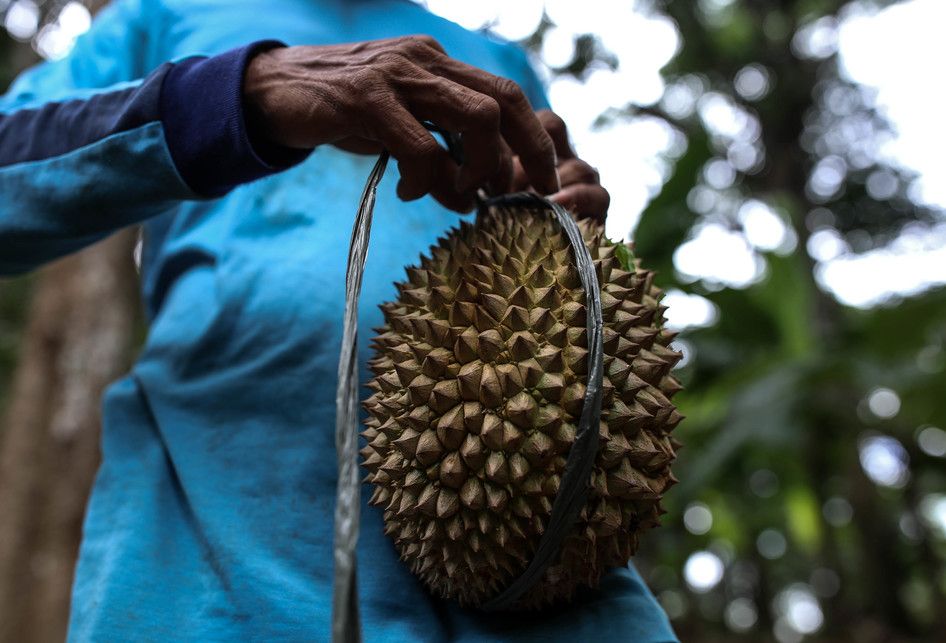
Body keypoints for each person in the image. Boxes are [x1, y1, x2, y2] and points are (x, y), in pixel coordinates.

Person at [0, 0, 677, 640]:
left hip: (560, 584)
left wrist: (564, 218)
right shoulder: (172, 14)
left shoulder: (496, 62)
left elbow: (549, 288)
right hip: (217, 564)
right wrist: (244, 94)